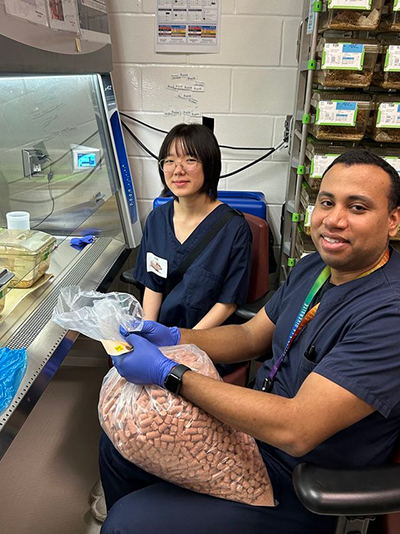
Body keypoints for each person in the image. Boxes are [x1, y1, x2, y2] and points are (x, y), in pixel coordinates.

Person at [98, 149, 400, 534]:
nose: (334, 220)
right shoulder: (315, 268)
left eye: (357, 208)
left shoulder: (388, 313)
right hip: (253, 436)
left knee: (127, 524)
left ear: (393, 220)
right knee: (121, 443)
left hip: (301, 481)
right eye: (327, 202)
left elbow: (297, 428)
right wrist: (173, 336)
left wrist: (170, 373)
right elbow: (249, 335)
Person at [132, 122, 253, 330]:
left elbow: (228, 303)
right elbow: (153, 285)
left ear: (210, 165)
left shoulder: (234, 229)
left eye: (190, 160)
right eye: (170, 161)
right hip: (163, 334)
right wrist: (148, 333)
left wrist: (185, 341)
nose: (178, 171)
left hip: (208, 338)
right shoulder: (157, 219)